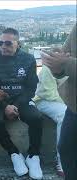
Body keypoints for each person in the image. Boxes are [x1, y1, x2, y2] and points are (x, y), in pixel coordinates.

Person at [0, 28, 43, 179]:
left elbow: (31, 87)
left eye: (8, 43)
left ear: (18, 44)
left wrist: (16, 105)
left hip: (21, 99)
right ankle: (14, 153)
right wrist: (5, 106)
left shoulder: (28, 59)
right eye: (0, 43)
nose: (3, 46)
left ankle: (33, 155)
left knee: (36, 118)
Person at [42, 24, 76, 180]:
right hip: (74, 106)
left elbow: (66, 62)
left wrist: (66, 64)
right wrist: (56, 66)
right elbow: (63, 58)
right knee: (66, 149)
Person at [33, 65, 67, 176]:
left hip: (66, 101)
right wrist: (71, 104)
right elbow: (48, 93)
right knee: (66, 115)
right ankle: (62, 159)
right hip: (44, 101)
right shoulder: (49, 67)